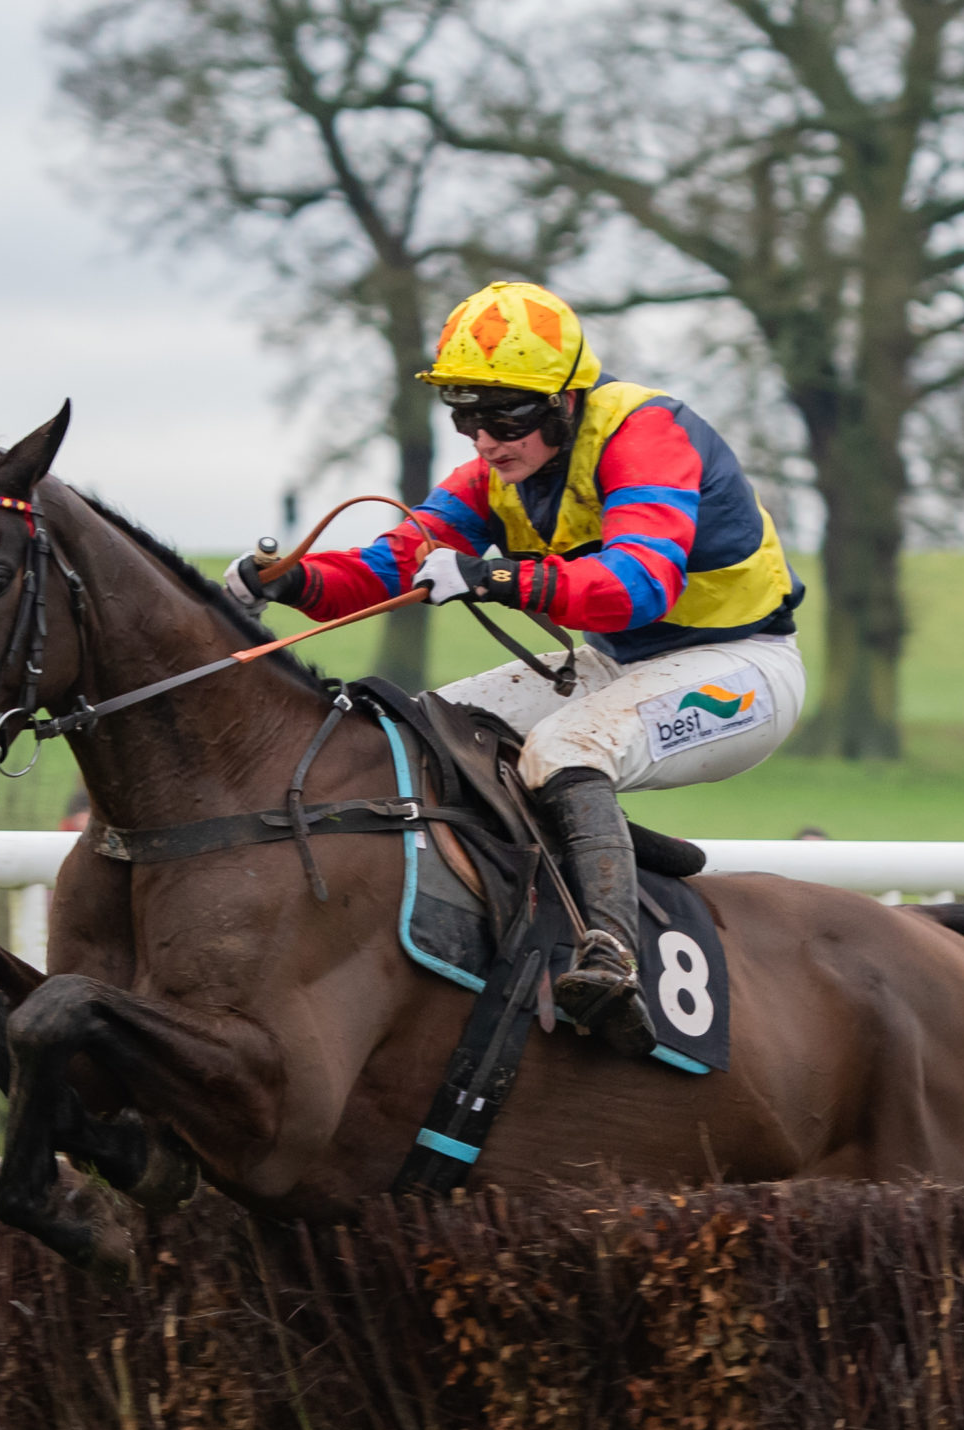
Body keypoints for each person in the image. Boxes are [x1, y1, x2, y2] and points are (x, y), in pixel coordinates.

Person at [226, 281, 805, 1058]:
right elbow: (387, 569)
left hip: (743, 668)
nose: (487, 443)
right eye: (466, 419)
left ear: (565, 401)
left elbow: (638, 586)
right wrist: (290, 581)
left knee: (567, 749)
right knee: (416, 730)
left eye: (505, 418)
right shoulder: (492, 478)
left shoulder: (646, 434)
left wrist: (495, 576)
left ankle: (612, 958)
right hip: (620, 664)